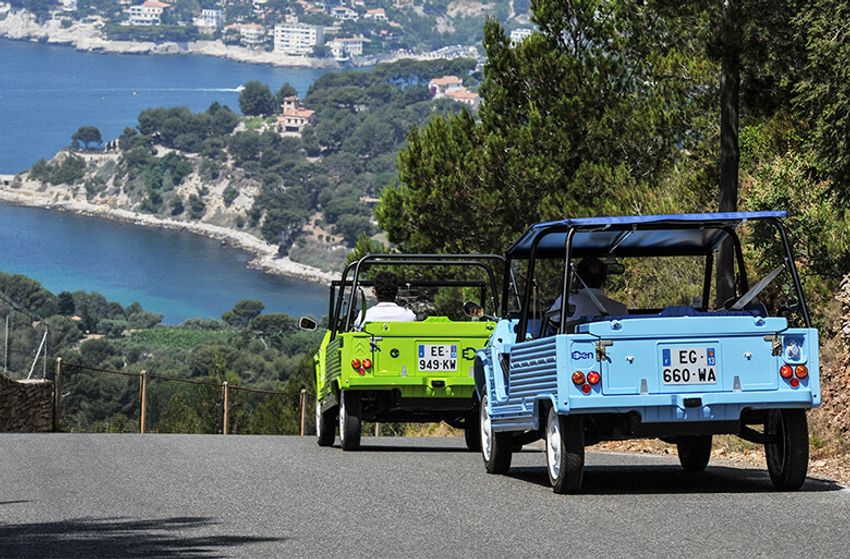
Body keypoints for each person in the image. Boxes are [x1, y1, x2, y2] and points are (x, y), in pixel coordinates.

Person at [550, 257, 628, 321]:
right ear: (604, 280)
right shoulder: (621, 309)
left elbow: (552, 319)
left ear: (577, 279)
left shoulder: (567, 301)